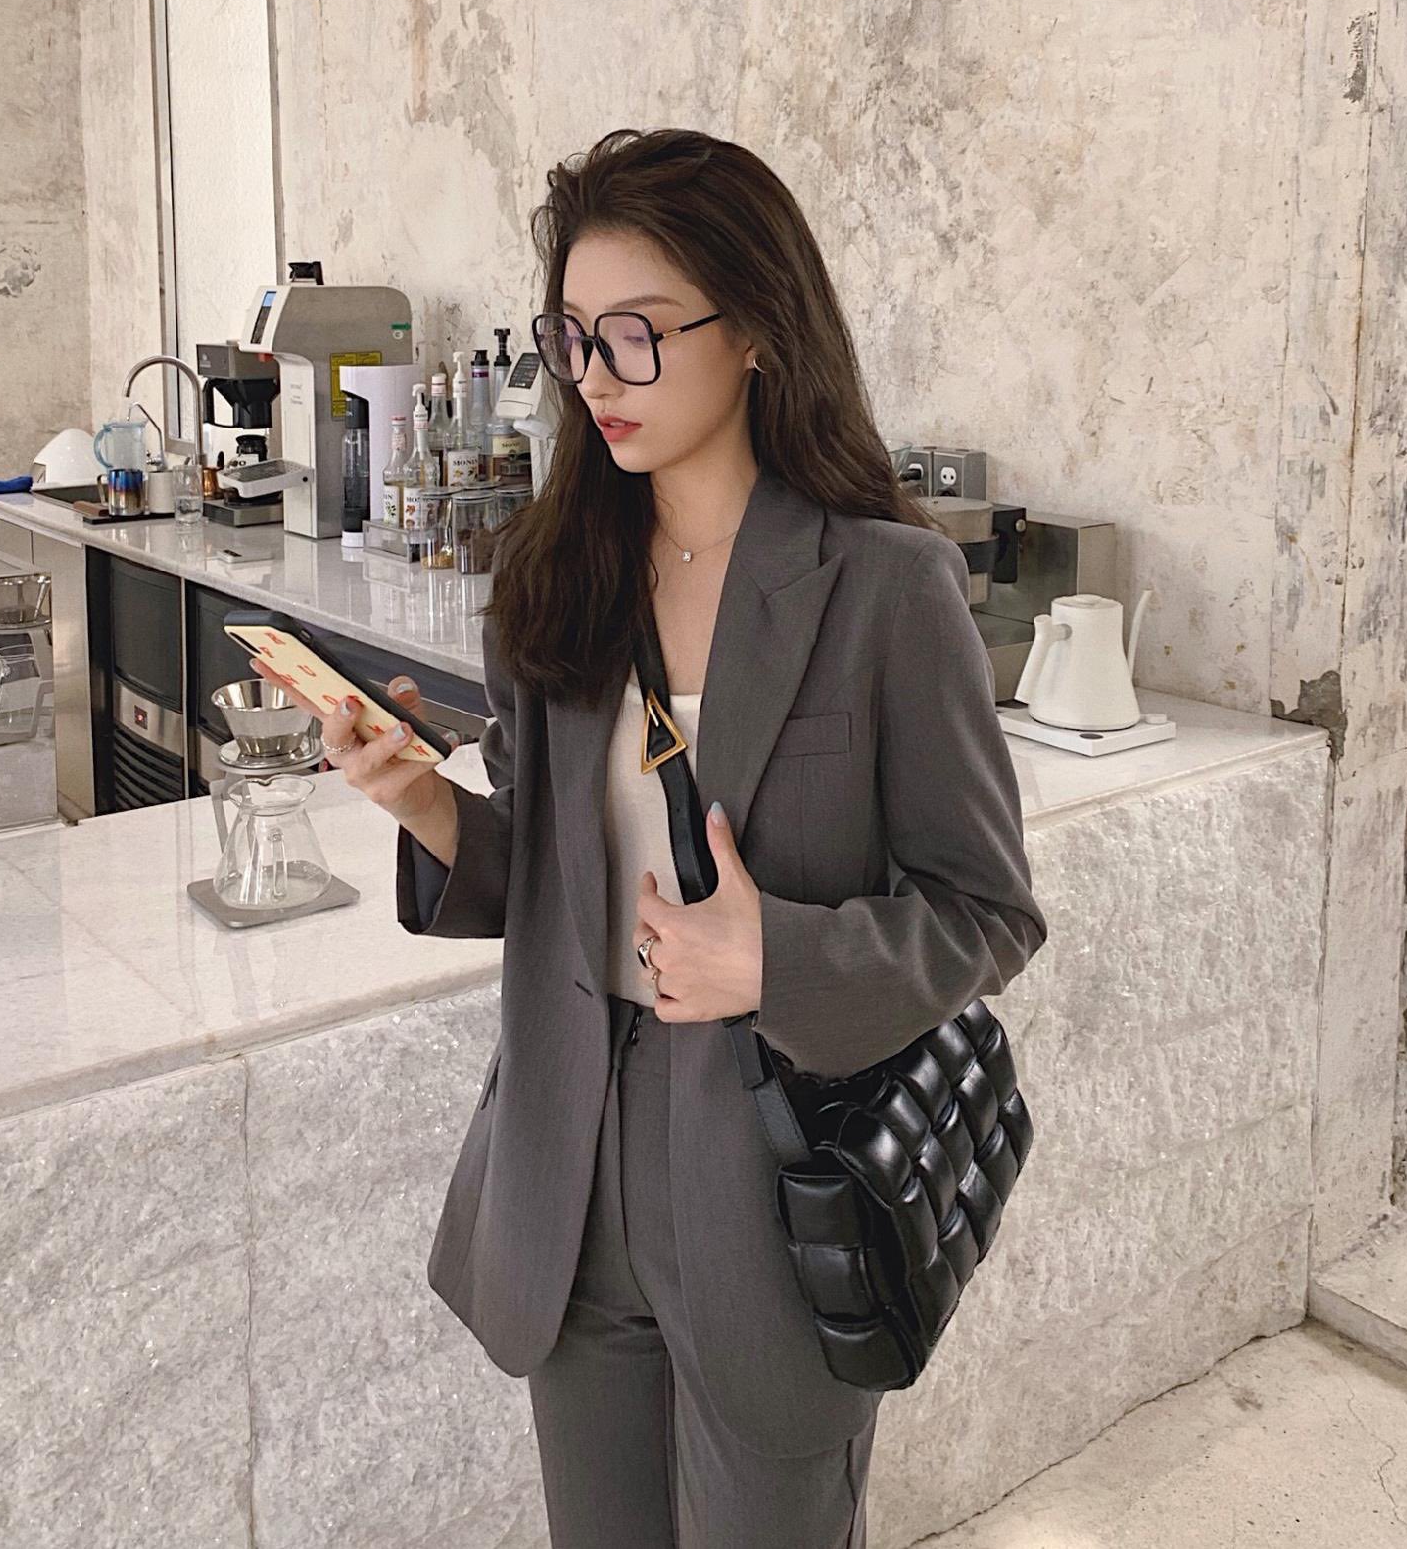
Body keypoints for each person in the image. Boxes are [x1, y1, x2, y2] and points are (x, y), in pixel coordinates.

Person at [255, 128, 1048, 1548]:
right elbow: (551, 876)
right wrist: (423, 802)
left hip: (773, 1166)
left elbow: (986, 913)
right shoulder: (552, 575)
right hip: (568, 1160)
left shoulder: (885, 588)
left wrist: (775, 958)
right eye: (573, 338)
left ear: (754, 330)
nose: (596, 378)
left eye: (638, 334)